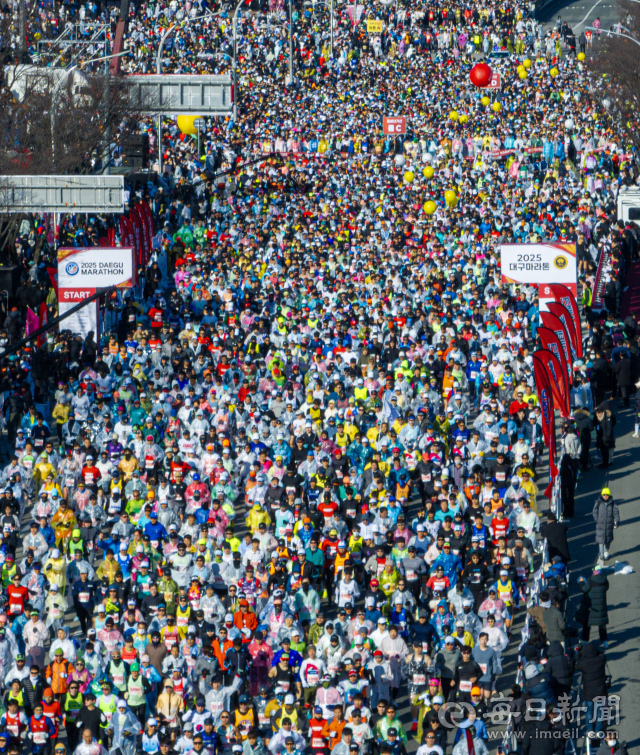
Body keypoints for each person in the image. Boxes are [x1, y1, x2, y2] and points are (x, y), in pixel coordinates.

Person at [575, 643, 608, 737]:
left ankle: (590, 730)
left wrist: (578, 653)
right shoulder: (601, 659)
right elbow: (602, 654)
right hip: (600, 690)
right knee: (599, 711)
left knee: (589, 711)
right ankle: (598, 730)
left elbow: (576, 664)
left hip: (588, 692)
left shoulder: (583, 663)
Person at [577, 567, 610, 645]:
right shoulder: (605, 581)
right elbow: (606, 588)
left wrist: (581, 582)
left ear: (594, 571)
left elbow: (583, 589)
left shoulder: (590, 581)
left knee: (587, 623)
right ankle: (605, 641)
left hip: (591, 607)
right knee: (602, 624)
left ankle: (585, 640)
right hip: (601, 606)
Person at [592, 489, 620, 562]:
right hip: (600, 525)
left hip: (609, 525)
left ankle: (606, 551)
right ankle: (601, 554)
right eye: (604, 495)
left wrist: (617, 521)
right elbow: (594, 512)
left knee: (608, 539)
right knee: (601, 540)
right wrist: (597, 520)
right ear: (602, 495)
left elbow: (616, 513)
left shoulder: (613, 503)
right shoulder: (598, 503)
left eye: (607, 495)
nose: (605, 496)